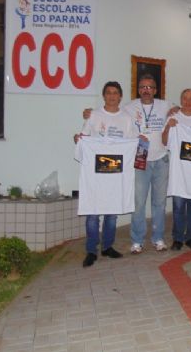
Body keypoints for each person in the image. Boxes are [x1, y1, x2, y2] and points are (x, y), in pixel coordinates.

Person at [74, 81, 136, 267]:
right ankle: (91, 250)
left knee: (112, 213)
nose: (112, 96)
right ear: (104, 96)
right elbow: (83, 137)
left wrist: (139, 141)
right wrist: (77, 139)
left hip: (116, 174)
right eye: (108, 92)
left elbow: (132, 142)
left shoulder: (126, 118)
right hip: (95, 174)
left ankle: (107, 247)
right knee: (93, 213)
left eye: (115, 93)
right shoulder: (93, 115)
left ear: (120, 96)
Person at [124, 74, 173, 253]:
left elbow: (187, 108)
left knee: (159, 203)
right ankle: (137, 240)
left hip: (161, 160)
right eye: (143, 87)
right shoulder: (128, 108)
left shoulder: (165, 105)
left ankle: (158, 238)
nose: (146, 90)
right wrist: (90, 113)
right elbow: (114, 119)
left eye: (150, 87)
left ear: (155, 90)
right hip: (140, 159)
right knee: (138, 203)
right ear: (138, 90)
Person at [162, 89, 191, 251]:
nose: (188, 102)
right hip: (179, 171)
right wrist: (168, 127)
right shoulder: (174, 117)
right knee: (179, 206)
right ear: (181, 100)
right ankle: (178, 238)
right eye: (185, 98)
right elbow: (164, 142)